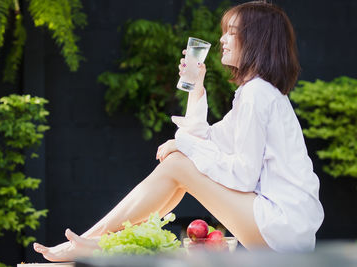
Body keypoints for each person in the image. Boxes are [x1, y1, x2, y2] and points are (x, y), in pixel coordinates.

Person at [33, 1, 324, 261]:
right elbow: (207, 139)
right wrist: (196, 88)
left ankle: (92, 243)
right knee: (178, 166)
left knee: (179, 165)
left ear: (257, 40)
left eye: (232, 32)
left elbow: (243, 176)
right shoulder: (256, 93)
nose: (222, 39)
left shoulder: (257, 94)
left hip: (281, 226)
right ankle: (94, 242)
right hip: (281, 226)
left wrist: (183, 145)